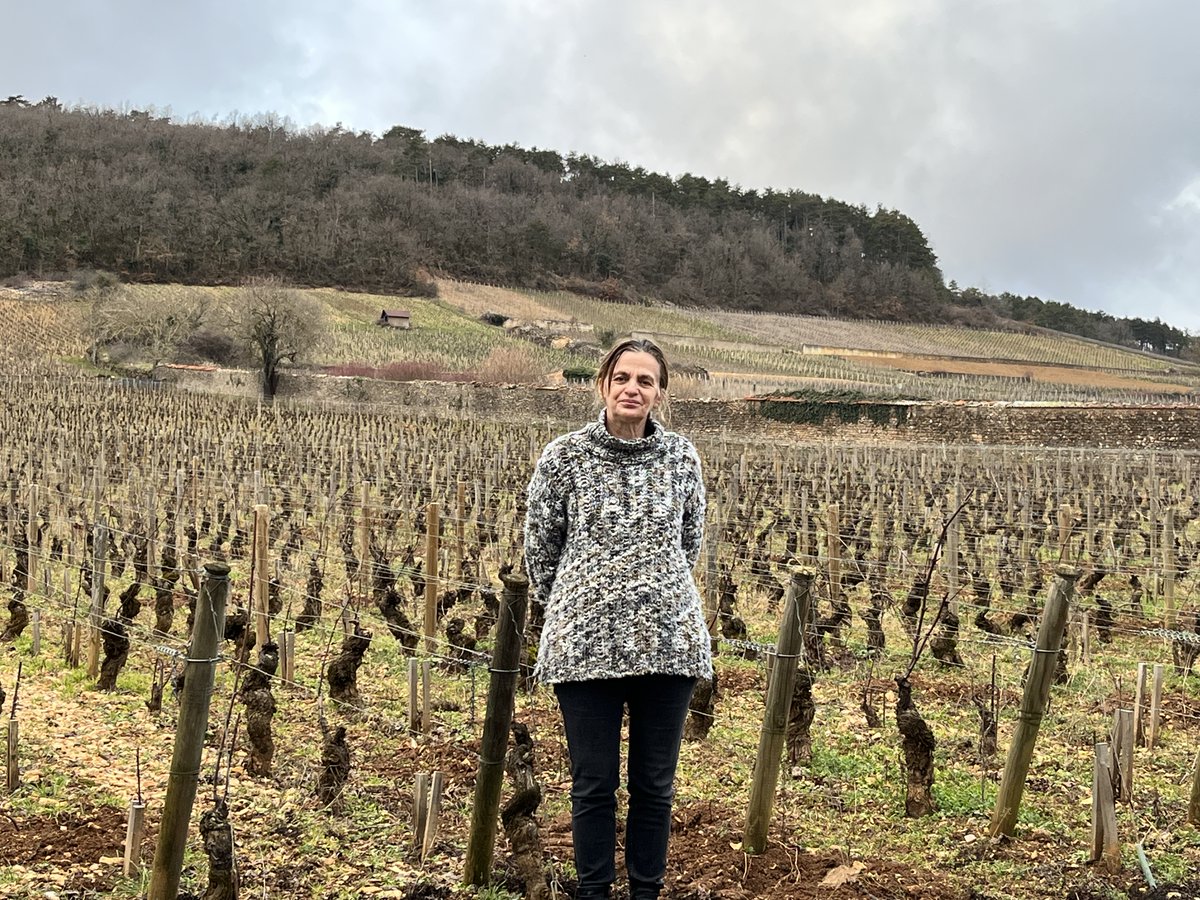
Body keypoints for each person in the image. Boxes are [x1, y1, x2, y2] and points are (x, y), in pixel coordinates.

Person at [524, 338, 711, 900]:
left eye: (645, 380)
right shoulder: (563, 457)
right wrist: (583, 606)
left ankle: (646, 892)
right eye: (622, 377)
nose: (633, 388)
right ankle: (594, 892)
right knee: (593, 784)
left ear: (660, 393)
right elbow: (541, 550)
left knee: (655, 787)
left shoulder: (681, 457)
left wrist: (654, 595)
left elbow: (689, 542)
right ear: (602, 384)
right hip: (584, 650)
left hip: (669, 647)